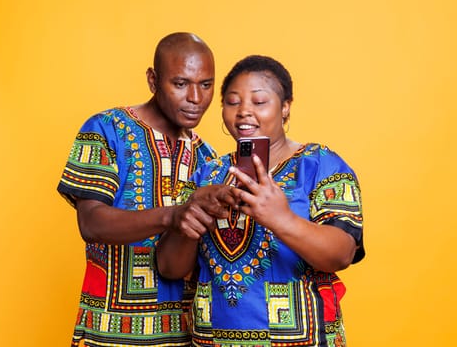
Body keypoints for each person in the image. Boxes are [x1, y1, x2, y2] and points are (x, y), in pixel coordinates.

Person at [156, 55, 365, 347]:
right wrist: (192, 217)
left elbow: (342, 253)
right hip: (211, 340)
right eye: (232, 102)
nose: (243, 112)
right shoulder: (207, 173)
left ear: (285, 108)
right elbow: (169, 268)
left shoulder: (319, 165)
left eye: (259, 102)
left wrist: (282, 219)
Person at [57, 32, 232, 347]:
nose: (195, 97)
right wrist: (171, 217)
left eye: (206, 85)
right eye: (180, 84)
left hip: (184, 336)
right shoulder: (105, 130)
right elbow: (91, 223)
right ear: (153, 80)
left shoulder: (207, 158)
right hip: (109, 332)